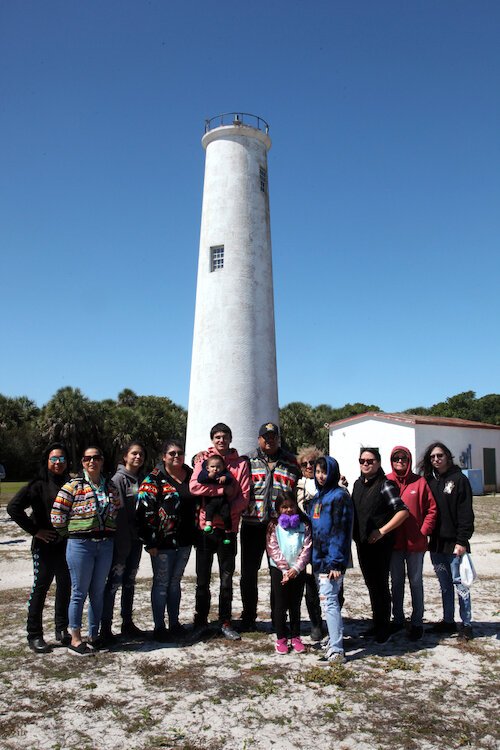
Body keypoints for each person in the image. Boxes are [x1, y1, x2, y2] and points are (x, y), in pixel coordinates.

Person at [51, 445, 120, 656]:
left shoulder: (110, 487)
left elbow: (115, 510)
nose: (92, 462)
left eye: (96, 458)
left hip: (105, 544)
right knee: (79, 592)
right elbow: (57, 515)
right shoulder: (72, 486)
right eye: (88, 458)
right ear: (82, 462)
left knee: (98, 592)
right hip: (80, 545)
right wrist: (72, 532)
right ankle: (75, 638)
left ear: (102, 461)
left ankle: (94, 634)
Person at [7, 443, 71, 654]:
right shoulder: (37, 485)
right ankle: (34, 634)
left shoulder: (71, 483)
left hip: (66, 545)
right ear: (47, 461)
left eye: (62, 458)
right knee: (40, 588)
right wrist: (36, 531)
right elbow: (13, 508)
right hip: (44, 546)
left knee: (65, 586)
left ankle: (62, 629)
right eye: (54, 458)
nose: (58, 462)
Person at [189, 422, 250, 640]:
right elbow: (194, 486)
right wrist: (222, 490)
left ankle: (225, 621)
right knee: (202, 578)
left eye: (225, 436)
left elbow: (243, 496)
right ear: (212, 439)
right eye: (217, 437)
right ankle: (201, 621)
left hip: (229, 529)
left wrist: (227, 514)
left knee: (226, 578)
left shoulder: (241, 463)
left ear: (231, 438)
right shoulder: (203, 460)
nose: (221, 440)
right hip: (206, 529)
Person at [240, 422, 301, 631]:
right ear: (259, 439)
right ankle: (248, 617)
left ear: (278, 438)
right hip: (251, 523)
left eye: (273, 436)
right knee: (248, 573)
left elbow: (302, 489)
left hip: (280, 527)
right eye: (265, 436)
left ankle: (279, 618)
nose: (270, 440)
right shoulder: (247, 460)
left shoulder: (292, 462)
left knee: (278, 572)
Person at [136, 439, 197, 642]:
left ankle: (175, 623)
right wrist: (150, 541)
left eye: (179, 453)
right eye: (172, 453)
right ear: (164, 457)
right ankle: (159, 626)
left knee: (175, 583)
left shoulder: (190, 474)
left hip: (185, 540)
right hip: (161, 543)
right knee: (161, 584)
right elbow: (144, 509)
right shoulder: (154, 478)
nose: (176, 456)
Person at [351, 447, 409, 644]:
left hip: (380, 546)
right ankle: (377, 623)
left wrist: (382, 531)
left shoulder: (386, 485)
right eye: (362, 460)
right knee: (371, 584)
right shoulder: (357, 484)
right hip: (362, 544)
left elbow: (402, 511)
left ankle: (384, 626)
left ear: (378, 463)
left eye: (370, 460)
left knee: (381, 585)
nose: (366, 464)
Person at [420, 442, 475, 640]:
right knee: (444, 584)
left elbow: (466, 513)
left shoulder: (459, 480)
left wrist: (462, 541)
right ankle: (448, 621)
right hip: (436, 544)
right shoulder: (429, 481)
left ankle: (466, 624)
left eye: (440, 455)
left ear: (448, 456)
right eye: (433, 456)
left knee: (460, 584)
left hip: (455, 544)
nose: (436, 459)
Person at [387, 446, 437, 641]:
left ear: (409, 460)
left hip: (415, 544)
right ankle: (397, 619)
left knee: (416, 582)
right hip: (394, 544)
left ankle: (417, 622)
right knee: (396, 582)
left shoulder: (420, 482)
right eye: (396, 458)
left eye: (404, 458)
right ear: (391, 460)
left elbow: (432, 509)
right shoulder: (387, 481)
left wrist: (423, 531)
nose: (400, 461)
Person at [100, 441, 147, 644]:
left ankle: (127, 622)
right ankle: (106, 627)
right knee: (114, 583)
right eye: (134, 454)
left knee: (129, 582)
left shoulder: (141, 479)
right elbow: (117, 512)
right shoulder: (118, 480)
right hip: (121, 542)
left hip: (136, 541)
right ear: (125, 457)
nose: (138, 457)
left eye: (141, 454)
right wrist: (123, 540)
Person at [310, 456, 353, 664]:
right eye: (317, 471)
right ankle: (333, 638)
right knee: (326, 600)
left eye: (324, 471)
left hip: (332, 561)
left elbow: (340, 531)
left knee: (330, 602)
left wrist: (336, 562)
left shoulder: (339, 496)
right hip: (319, 559)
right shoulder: (319, 498)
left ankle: (337, 649)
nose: (320, 476)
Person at [266, 493, 312, 654]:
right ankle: (281, 637)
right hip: (280, 570)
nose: (288, 510)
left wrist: (296, 569)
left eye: (291, 506)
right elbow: (273, 548)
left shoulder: (304, 525)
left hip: (297, 570)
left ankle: (295, 636)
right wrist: (285, 570)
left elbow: (307, 548)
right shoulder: (274, 526)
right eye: (284, 507)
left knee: (295, 604)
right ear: (278, 509)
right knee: (280, 604)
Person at [296, 445, 324, 641]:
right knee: (310, 585)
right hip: (306, 541)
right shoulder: (296, 485)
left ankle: (332, 620)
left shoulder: (331, 483)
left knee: (333, 584)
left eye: (312, 463)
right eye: (304, 464)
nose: (308, 466)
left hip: (326, 541)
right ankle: (315, 623)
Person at [196, 454, 233, 539]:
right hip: (210, 499)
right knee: (209, 510)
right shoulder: (205, 473)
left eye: (218, 467)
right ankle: (208, 524)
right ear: (207, 468)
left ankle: (228, 528)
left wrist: (225, 478)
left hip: (222, 500)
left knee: (226, 513)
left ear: (223, 467)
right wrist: (208, 476)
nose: (215, 469)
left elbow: (230, 479)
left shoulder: (224, 473)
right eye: (212, 467)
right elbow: (199, 479)